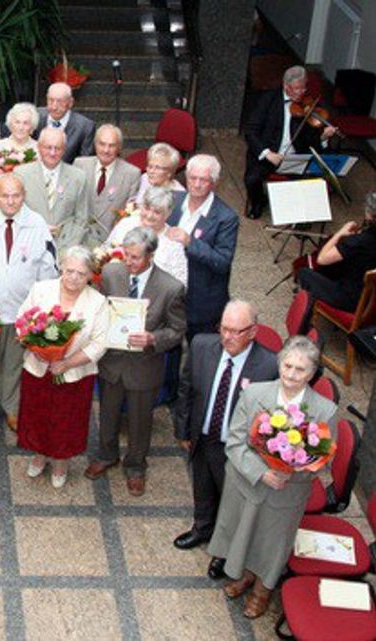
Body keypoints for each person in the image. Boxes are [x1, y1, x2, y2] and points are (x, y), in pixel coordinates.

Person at [207, 336, 336, 618]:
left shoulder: (325, 411)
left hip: (287, 491)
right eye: (287, 366)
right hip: (248, 482)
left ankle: (262, 591)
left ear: (312, 373)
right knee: (243, 532)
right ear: (279, 364)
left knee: (273, 542)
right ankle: (244, 575)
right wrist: (262, 472)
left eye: (300, 369)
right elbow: (235, 443)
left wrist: (295, 467)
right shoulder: (254, 393)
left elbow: (324, 460)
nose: (291, 374)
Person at [172, 301, 278, 574]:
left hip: (238, 448)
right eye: (224, 329)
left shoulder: (269, 365)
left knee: (231, 500)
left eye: (236, 332)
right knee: (202, 486)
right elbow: (186, 389)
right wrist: (183, 430)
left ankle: (224, 550)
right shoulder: (201, 346)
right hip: (203, 435)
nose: (228, 337)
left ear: (252, 332)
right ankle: (202, 528)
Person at [85, 227, 186, 497]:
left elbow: (177, 330)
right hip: (112, 362)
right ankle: (106, 455)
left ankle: (135, 466)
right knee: (107, 413)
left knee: (140, 421)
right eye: (126, 255)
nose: (128, 262)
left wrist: (153, 338)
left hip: (144, 366)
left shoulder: (171, 288)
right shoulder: (111, 273)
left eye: (135, 257)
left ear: (150, 256)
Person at [0, 173, 57, 430]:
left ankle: (12, 407)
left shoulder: (36, 223)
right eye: (5, 196)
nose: (10, 201)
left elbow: (47, 266)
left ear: (24, 196)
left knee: (15, 363)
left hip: (23, 310)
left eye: (16, 195)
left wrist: (42, 308)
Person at [16, 247, 109, 487]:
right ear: (61, 268)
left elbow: (100, 343)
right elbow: (22, 321)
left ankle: (61, 462)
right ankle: (39, 455)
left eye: (81, 273)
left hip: (75, 374)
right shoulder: (41, 289)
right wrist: (39, 350)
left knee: (67, 420)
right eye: (69, 271)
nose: (74, 277)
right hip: (38, 368)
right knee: (37, 415)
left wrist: (66, 362)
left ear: (91, 275)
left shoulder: (98, 302)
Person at [244, 66, 336, 220]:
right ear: (286, 86)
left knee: (313, 181)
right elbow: (250, 131)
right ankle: (259, 203)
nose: (301, 92)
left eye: (303, 88)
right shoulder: (267, 100)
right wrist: (267, 153)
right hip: (270, 154)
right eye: (296, 89)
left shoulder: (308, 106)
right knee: (252, 179)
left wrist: (323, 137)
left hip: (296, 156)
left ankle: (301, 216)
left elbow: (311, 140)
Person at [166, 154, 239, 339]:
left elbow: (222, 262)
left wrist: (190, 242)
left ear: (214, 182)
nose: (197, 184)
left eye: (204, 180)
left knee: (198, 349)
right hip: (169, 292)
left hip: (201, 302)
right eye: (193, 178)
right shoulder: (173, 199)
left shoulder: (226, 217)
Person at [297, 191, 376, 329]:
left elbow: (322, 259)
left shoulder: (359, 242)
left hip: (351, 300)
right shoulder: (361, 240)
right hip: (371, 299)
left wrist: (340, 232)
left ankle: (304, 317)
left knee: (304, 272)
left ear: (370, 215)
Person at [15, 127, 88, 249]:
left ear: (64, 149)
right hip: (29, 243)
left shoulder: (78, 177)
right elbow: (16, 212)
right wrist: (38, 229)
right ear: (39, 147)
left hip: (66, 246)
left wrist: (68, 247)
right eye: (48, 147)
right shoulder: (21, 174)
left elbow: (81, 219)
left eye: (57, 148)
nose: (52, 153)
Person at [105, 186, 188, 287]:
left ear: (167, 214)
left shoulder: (173, 242)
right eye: (147, 208)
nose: (149, 215)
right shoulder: (125, 224)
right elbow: (105, 252)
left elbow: (180, 284)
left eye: (157, 212)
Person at [74, 124, 141, 245]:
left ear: (119, 148)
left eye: (112, 145)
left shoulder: (132, 174)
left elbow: (130, 215)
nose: (106, 150)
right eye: (102, 144)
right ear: (95, 144)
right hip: (78, 240)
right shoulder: (80, 165)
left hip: (110, 242)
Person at [35, 82, 95, 163]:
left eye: (60, 101)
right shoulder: (34, 116)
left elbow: (85, 162)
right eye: (51, 100)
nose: (54, 107)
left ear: (70, 103)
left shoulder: (85, 127)